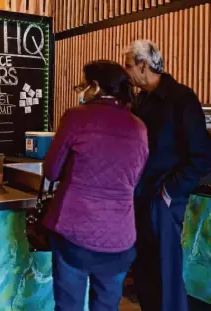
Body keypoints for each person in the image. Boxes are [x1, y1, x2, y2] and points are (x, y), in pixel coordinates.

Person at [42, 60, 149, 310]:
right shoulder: (139, 126)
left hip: (74, 232)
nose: (82, 90)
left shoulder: (76, 117)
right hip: (120, 237)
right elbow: (135, 178)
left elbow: (51, 171)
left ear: (96, 86)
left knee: (69, 305)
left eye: (84, 84)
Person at [123, 40, 211, 311]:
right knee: (144, 274)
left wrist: (169, 191)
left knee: (165, 277)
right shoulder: (141, 100)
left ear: (143, 65)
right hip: (140, 199)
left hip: (163, 201)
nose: (126, 72)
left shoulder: (181, 99)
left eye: (129, 66)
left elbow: (204, 156)